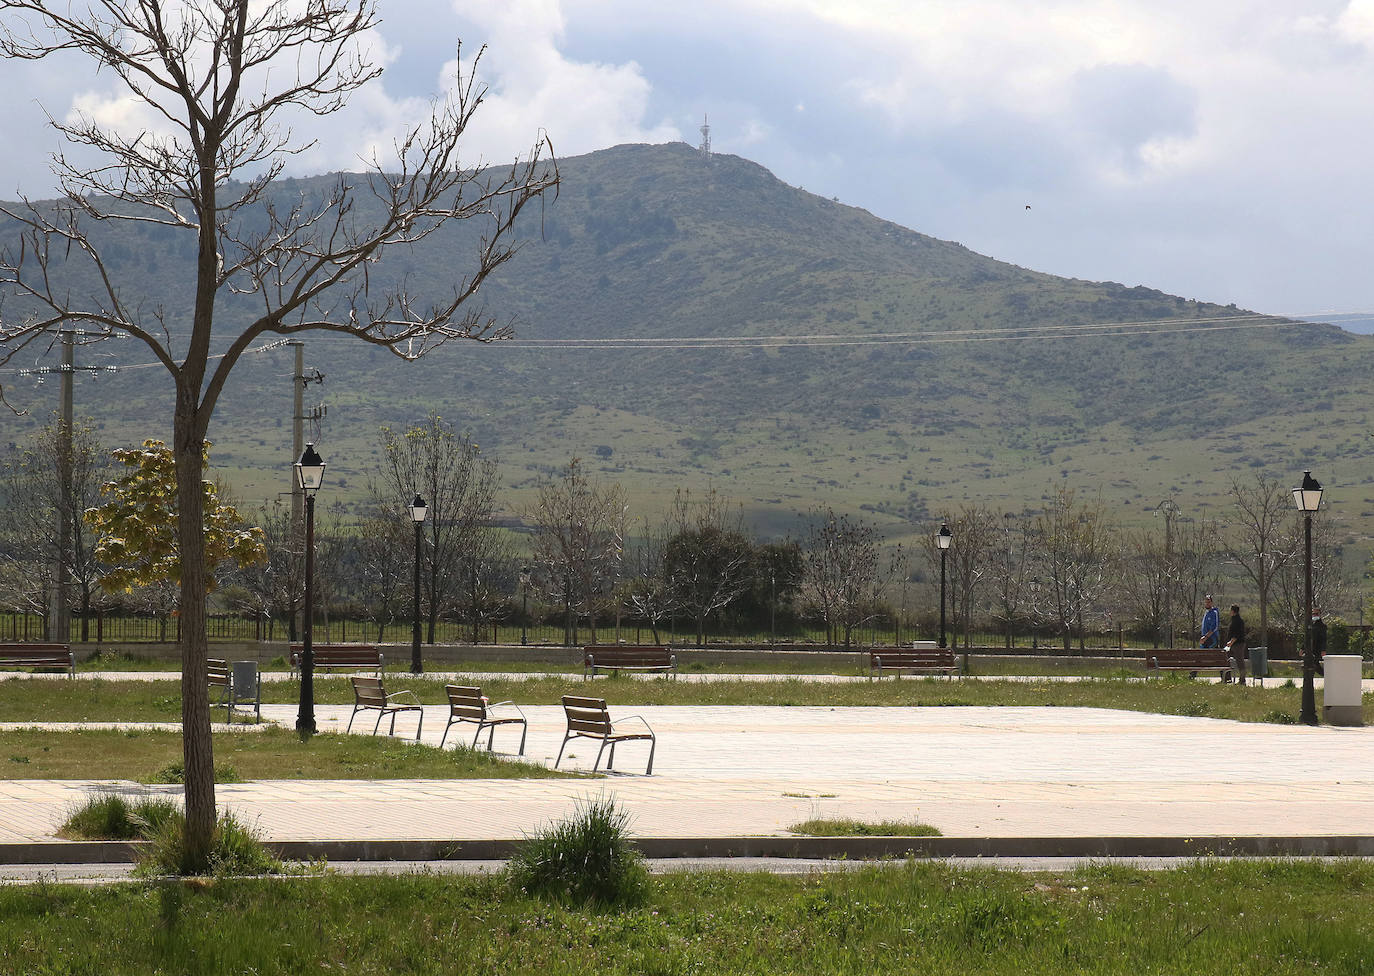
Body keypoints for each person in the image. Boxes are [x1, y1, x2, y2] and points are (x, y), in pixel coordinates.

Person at [1196, 596, 1220, 679]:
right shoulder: (1206, 613)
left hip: (1212, 639)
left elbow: (1214, 627)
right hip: (1205, 639)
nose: (1207, 603)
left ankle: (1226, 676)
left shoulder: (1214, 613)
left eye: (1209, 602)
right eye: (1206, 602)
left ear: (1212, 603)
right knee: (1200, 656)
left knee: (1217, 658)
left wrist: (1206, 637)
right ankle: (1193, 674)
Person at [1225, 604, 1248, 685]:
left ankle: (1242, 680)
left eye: (1230, 610)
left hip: (1238, 644)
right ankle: (1227, 678)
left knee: (1240, 661)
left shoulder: (1238, 621)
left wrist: (1231, 641)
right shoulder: (1233, 620)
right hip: (1232, 644)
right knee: (1226, 659)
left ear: (1233, 611)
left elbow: (1237, 634)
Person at [1312, 609, 1328, 677]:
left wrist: (1323, 649)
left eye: (1317, 614)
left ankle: (1326, 676)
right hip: (1311, 648)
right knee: (1311, 665)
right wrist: (1302, 648)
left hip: (1318, 648)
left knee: (1314, 664)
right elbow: (1308, 637)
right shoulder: (1311, 625)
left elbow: (1324, 639)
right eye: (1314, 614)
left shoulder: (1322, 626)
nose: (1315, 615)